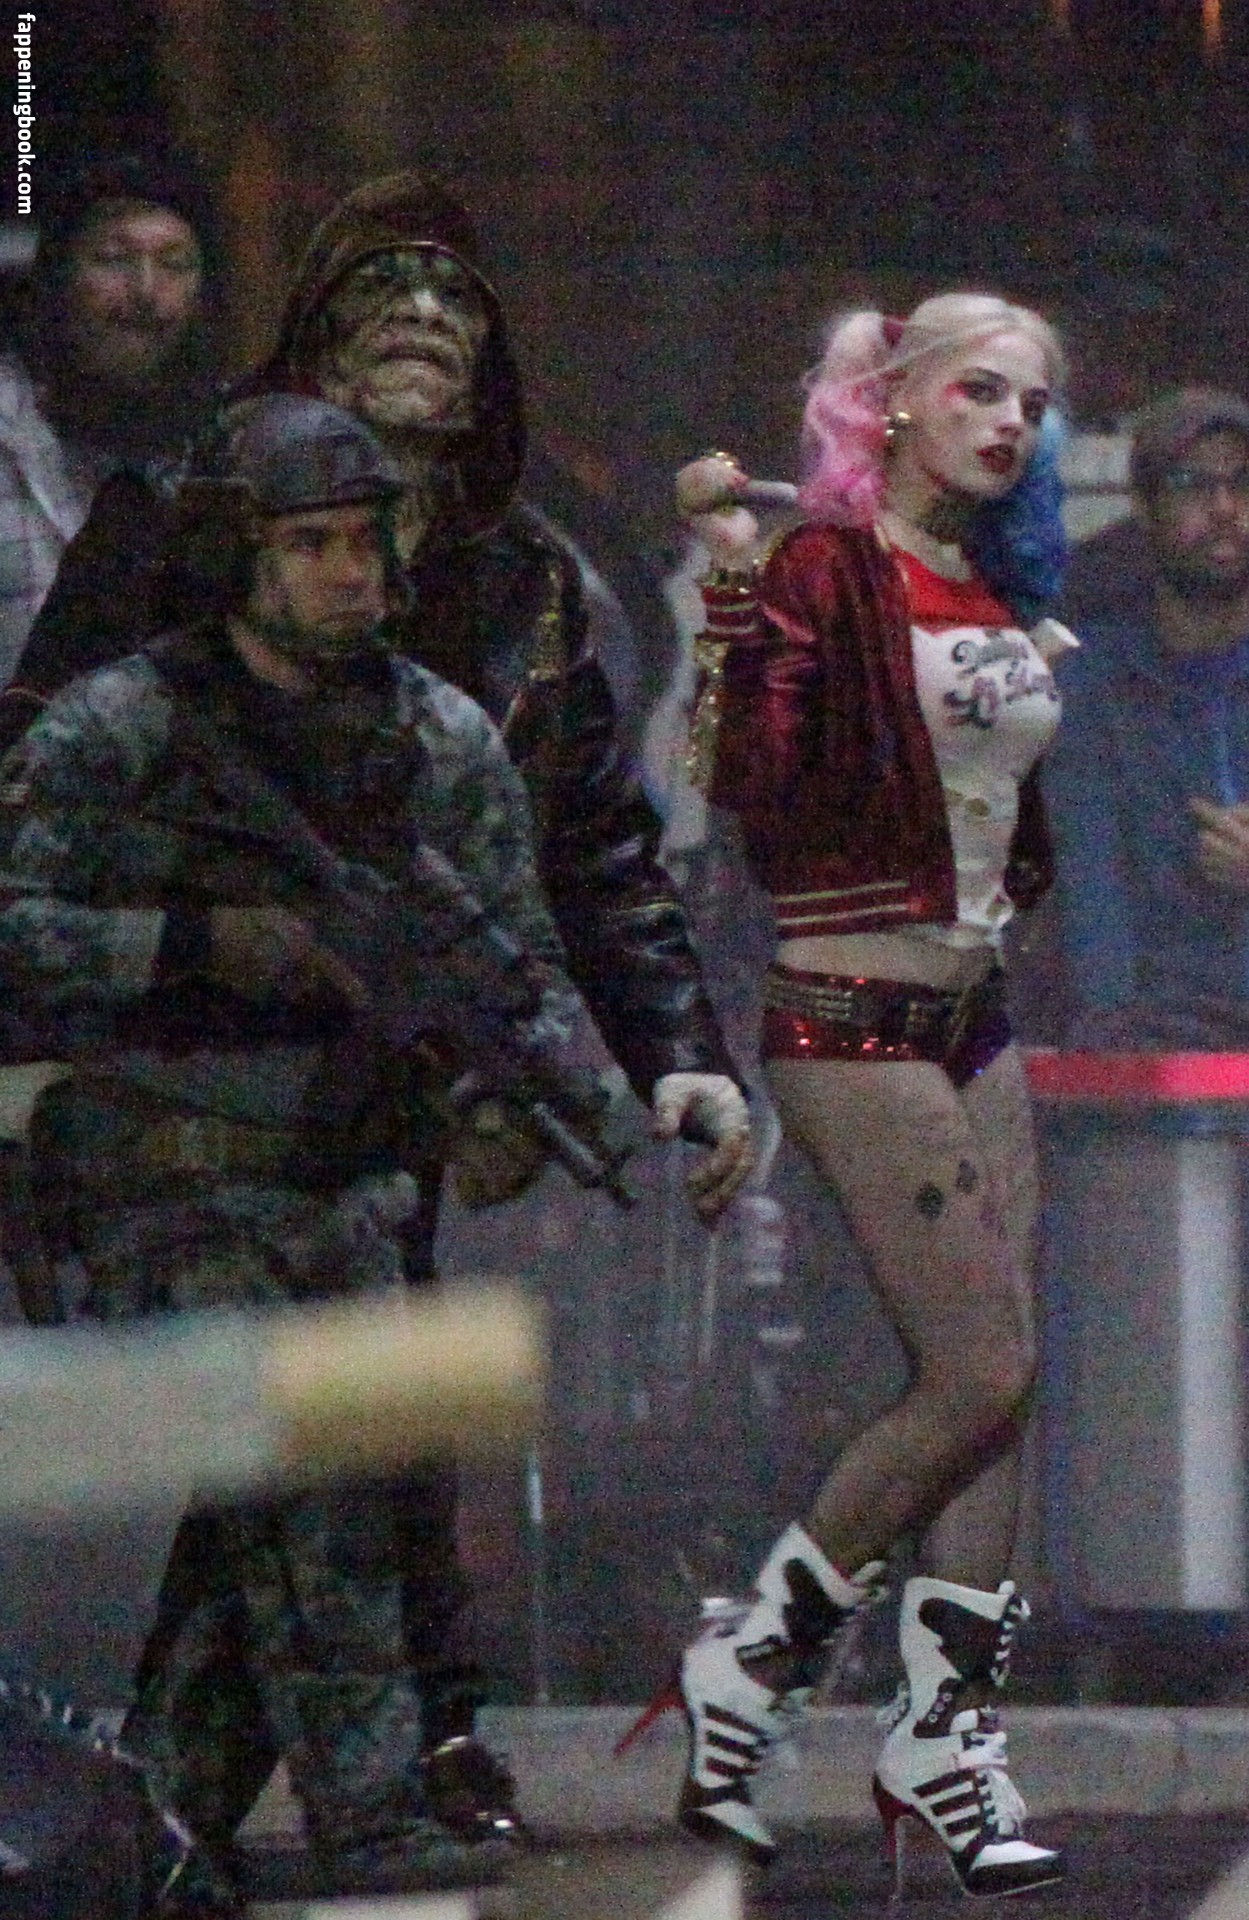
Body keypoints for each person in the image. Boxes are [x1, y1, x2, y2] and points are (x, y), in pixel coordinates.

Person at [0, 390, 610, 1913]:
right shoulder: (125, 724)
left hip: (339, 1179)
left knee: (293, 1519)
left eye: (365, 542)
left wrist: (520, 1104)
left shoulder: (433, 735)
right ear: (237, 553)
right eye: (310, 543)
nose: (350, 573)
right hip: (156, 1171)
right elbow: (14, 926)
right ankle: (370, 1821)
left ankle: (150, 1829)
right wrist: (197, 944)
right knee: (313, 1482)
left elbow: (514, 957)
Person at [655, 293, 1074, 1895]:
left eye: (1029, 403)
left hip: (972, 1009)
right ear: (891, 402)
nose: (1008, 422)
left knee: (1007, 1385)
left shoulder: (990, 580)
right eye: (978, 391)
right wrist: (734, 589)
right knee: (977, 1369)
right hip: (850, 1007)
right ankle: (757, 1658)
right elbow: (739, 781)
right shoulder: (827, 563)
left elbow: (996, 815)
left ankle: (944, 1731)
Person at [1045, 387, 1249, 1047]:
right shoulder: (1089, 687)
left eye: (1242, 483)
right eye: (1192, 485)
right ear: (1144, 506)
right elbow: (1091, 901)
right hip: (1156, 1041)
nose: (1224, 509)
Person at [0, 143, 218, 695]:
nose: (146, 292)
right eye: (115, 260)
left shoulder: (235, 451)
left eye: (174, 264)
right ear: (58, 280)